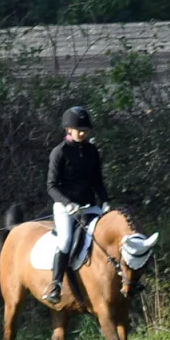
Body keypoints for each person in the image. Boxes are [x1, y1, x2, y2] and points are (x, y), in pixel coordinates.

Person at [44, 106, 110, 304]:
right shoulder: (59, 152)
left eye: (85, 130)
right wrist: (67, 203)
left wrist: (105, 200)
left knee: (105, 235)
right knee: (65, 240)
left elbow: (97, 180)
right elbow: (51, 186)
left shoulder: (91, 150)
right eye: (79, 129)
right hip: (65, 206)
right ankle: (56, 284)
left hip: (90, 205)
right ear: (68, 130)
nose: (83, 133)